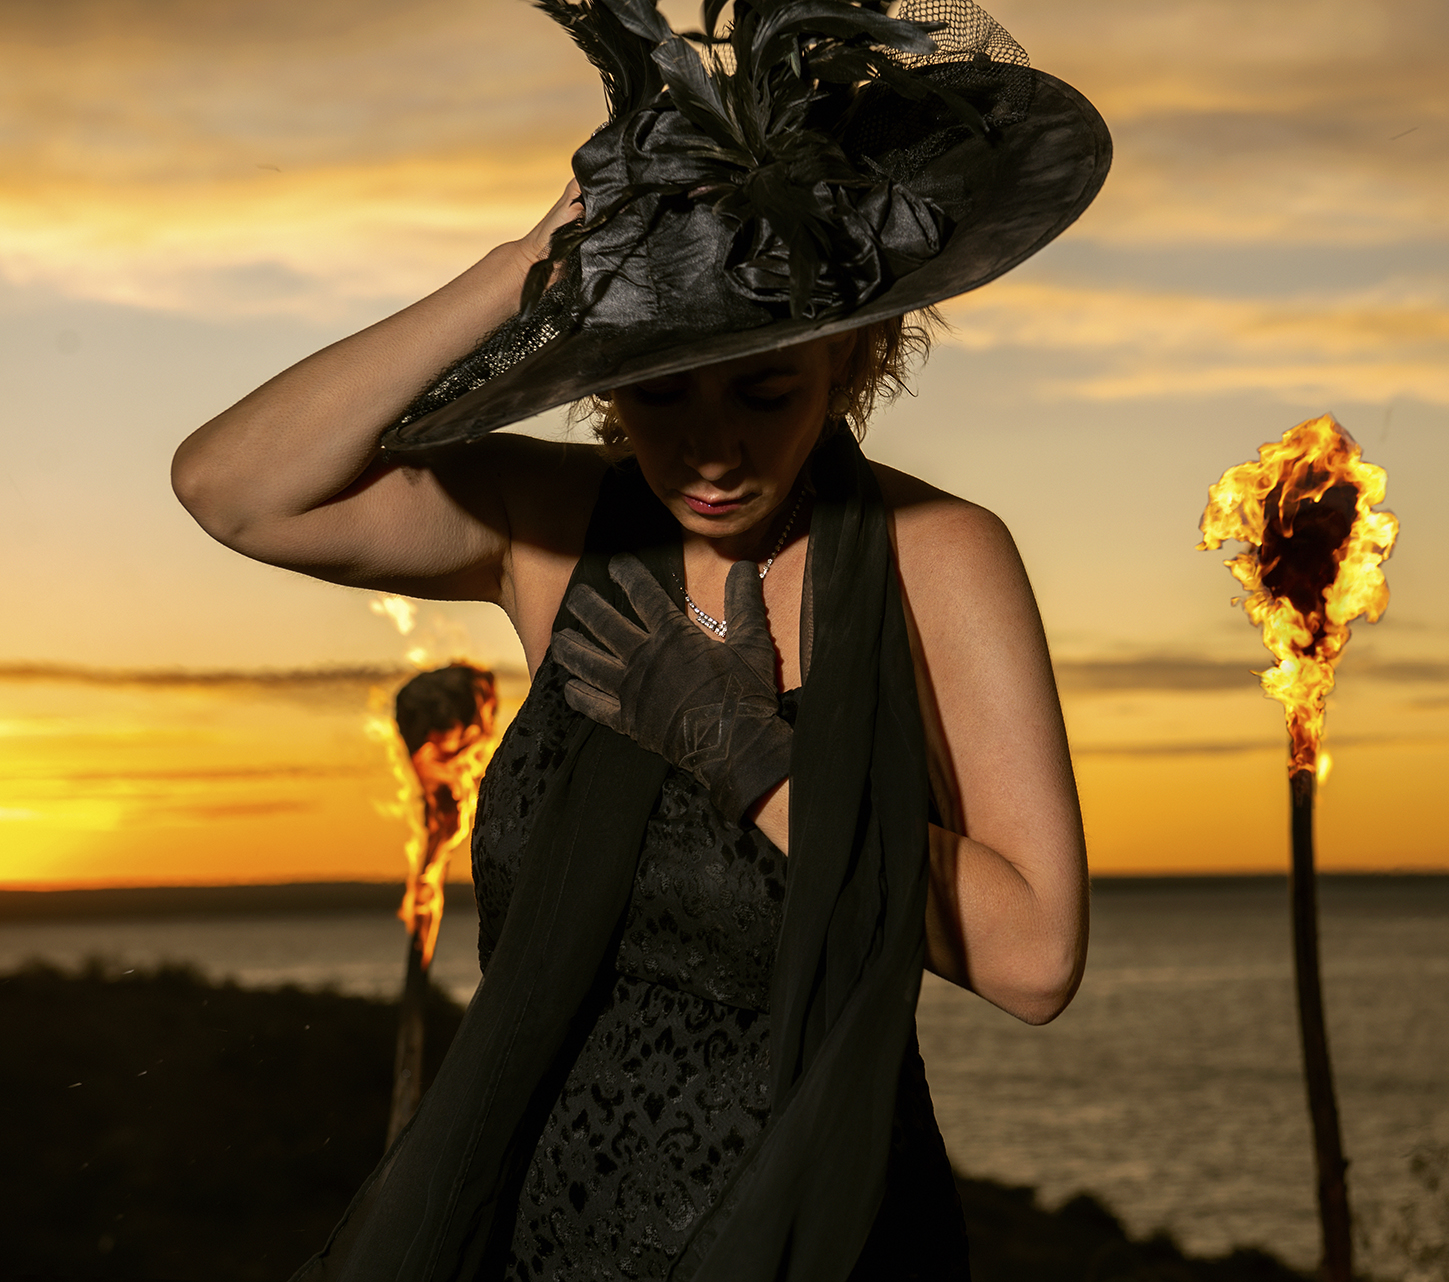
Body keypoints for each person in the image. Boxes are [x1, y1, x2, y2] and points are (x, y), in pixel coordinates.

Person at [171, 2, 1108, 1279]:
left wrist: (749, 755)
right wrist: (525, 265)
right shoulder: (553, 533)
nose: (711, 450)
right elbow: (235, 487)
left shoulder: (935, 556)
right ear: (605, 384)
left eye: (763, 390)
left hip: (818, 1239)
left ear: (849, 360)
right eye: (661, 392)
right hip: (548, 1234)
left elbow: (1036, 959)